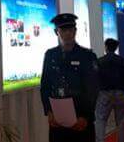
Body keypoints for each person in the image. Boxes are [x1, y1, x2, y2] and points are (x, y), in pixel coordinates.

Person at [40, 13, 99, 142]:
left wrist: (86, 116)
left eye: (70, 29)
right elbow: (45, 86)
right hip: (58, 119)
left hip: (81, 118)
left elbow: (93, 89)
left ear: (75, 31)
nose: (67, 33)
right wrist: (48, 111)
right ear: (56, 32)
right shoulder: (50, 55)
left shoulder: (87, 56)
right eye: (63, 30)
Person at [95, 39, 124, 142]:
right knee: (121, 121)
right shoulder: (123, 61)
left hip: (104, 93)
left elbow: (95, 78)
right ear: (116, 48)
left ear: (106, 47)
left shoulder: (100, 61)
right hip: (120, 93)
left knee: (100, 120)